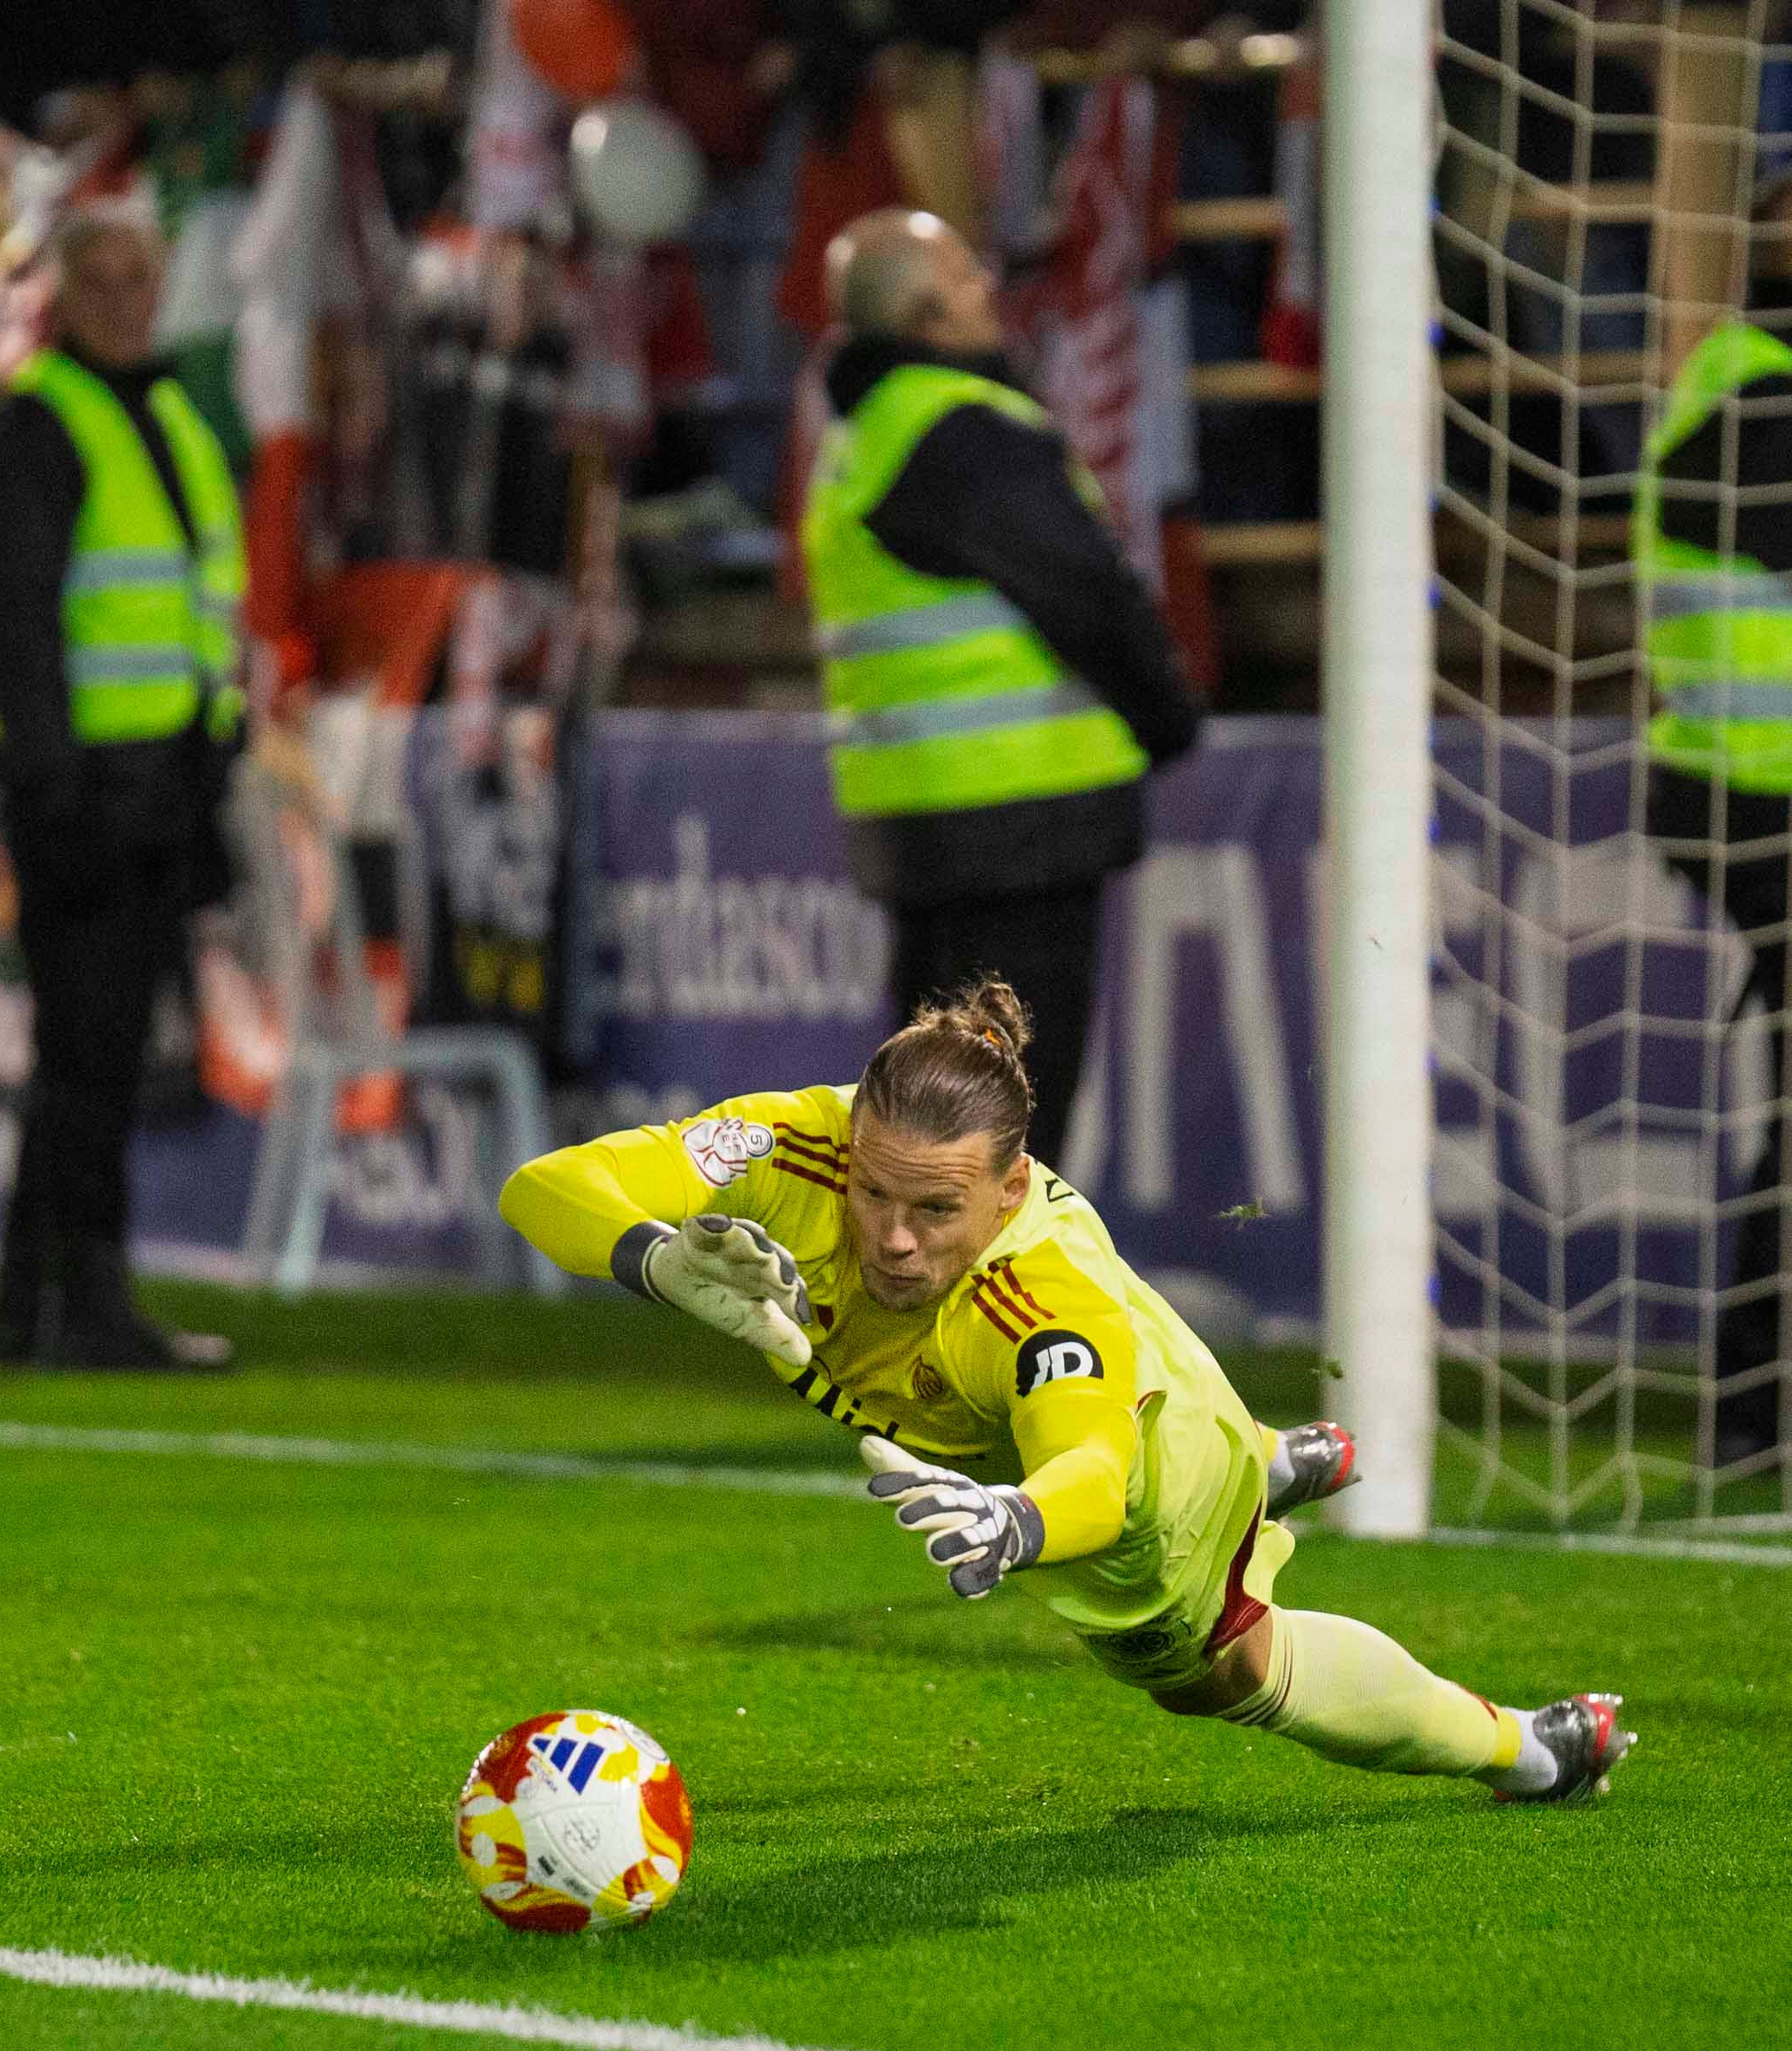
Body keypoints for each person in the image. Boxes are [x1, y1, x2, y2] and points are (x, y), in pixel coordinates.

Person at [498, 978, 1636, 1803]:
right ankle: (1272, 1462)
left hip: (1133, 1450)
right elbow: (548, 1186)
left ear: (1006, 1193)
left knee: (1215, 1676)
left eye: (935, 1210)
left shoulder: (1035, 1302)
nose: (892, 1238)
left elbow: (1089, 1467)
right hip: (1006, 1418)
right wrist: (655, 1257)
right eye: (876, 1193)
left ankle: (1523, 1748)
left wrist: (1019, 1520)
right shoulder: (796, 1144)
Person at [804, 209, 1203, 1172]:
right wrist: (1166, 715)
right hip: (1018, 820)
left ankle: (906, 1314)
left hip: (923, 824)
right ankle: (990, 1317)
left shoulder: (863, 437)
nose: (991, 290)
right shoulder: (958, 431)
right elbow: (1085, 592)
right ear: (927, 313)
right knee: (1003, 1136)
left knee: (923, 1130)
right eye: (967, 276)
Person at [0, 207, 241, 1373]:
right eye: (103, 277)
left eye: (142, 275)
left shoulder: (168, 415)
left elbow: (197, 609)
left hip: (159, 789)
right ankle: (89, 1303)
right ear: (63, 290)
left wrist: (215, 750)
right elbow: (19, 634)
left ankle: (28, 1307)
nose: (128, 297)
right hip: (85, 796)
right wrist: (50, 796)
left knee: (87, 1058)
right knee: (91, 1056)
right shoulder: (40, 427)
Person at [1639, 183, 1792, 1470]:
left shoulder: (1734, 379)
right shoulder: (1754, 393)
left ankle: (1755, 1407)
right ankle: (1752, 1407)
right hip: (1759, 797)